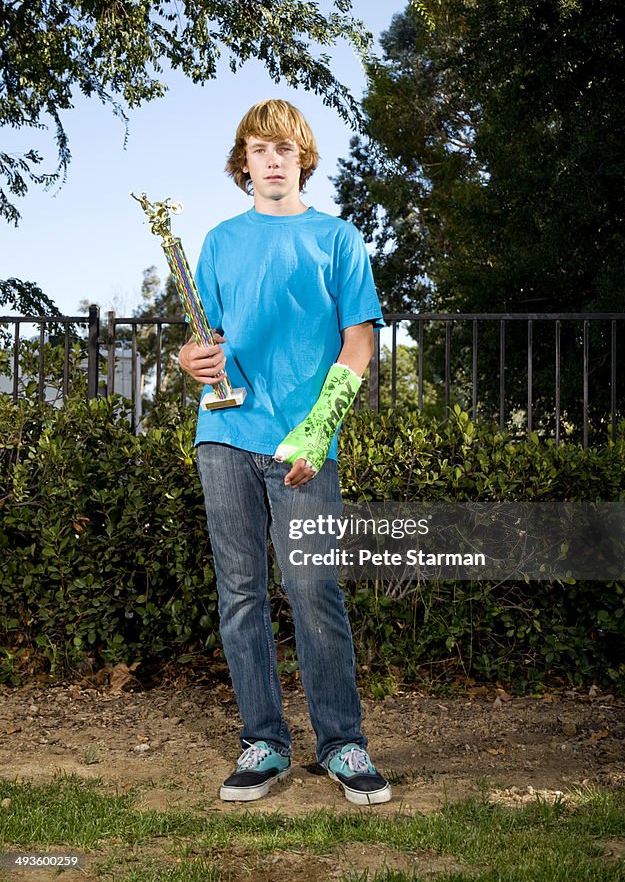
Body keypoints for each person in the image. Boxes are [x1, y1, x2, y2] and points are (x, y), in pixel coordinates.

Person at [178, 98, 391, 806]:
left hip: (304, 443)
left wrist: (320, 426)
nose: (273, 161)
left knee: (314, 593)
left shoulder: (339, 240)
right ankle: (263, 743)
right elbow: (200, 339)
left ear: (303, 159)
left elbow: (359, 342)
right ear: (244, 162)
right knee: (240, 596)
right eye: (260, 150)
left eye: (286, 150)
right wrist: (189, 360)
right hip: (226, 437)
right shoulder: (217, 242)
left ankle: (343, 744)